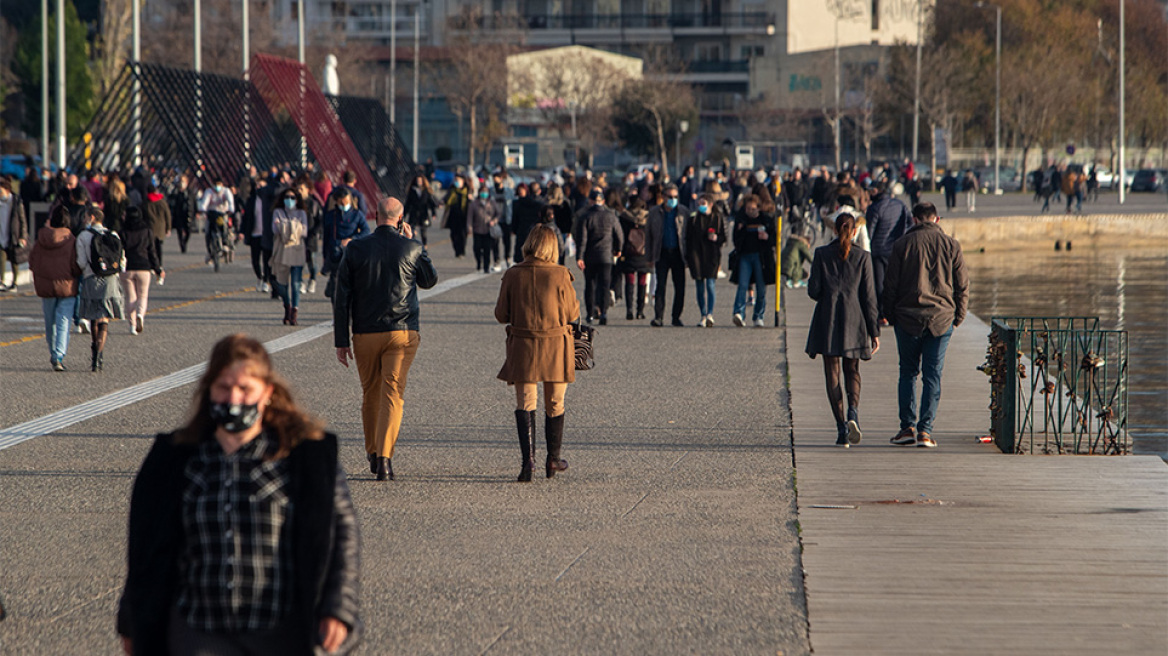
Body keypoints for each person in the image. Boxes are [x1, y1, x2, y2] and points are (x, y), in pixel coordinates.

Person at [116, 334, 361, 656]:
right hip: (197, 629)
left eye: (245, 388)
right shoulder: (176, 459)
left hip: (279, 628)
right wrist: (132, 619)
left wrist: (337, 609)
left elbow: (342, 536)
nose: (233, 398)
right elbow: (145, 546)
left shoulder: (305, 459)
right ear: (208, 391)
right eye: (223, 387)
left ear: (267, 393)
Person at [333, 198, 438, 481]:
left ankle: (371, 451)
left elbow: (341, 297)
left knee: (370, 392)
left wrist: (341, 339)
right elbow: (429, 280)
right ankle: (384, 459)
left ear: (375, 216)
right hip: (401, 332)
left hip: (365, 332)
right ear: (401, 218)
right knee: (393, 393)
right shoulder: (412, 247)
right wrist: (417, 244)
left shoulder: (356, 248)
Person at [494, 224, 579, 482]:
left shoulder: (512, 273)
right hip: (556, 345)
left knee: (525, 402)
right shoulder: (561, 274)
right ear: (553, 247)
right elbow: (572, 313)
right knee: (555, 403)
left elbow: (501, 315)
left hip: (523, 345)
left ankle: (527, 463)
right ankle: (552, 459)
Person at [883, 202, 968, 449]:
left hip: (907, 317)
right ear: (936, 219)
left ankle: (906, 427)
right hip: (941, 319)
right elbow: (962, 285)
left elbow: (890, 285)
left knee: (908, 372)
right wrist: (959, 316)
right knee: (933, 375)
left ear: (914, 219)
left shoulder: (902, 245)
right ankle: (925, 431)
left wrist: (890, 315)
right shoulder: (952, 245)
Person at [805, 212, 880, 447]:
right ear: (855, 231)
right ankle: (853, 414)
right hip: (854, 320)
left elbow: (813, 291)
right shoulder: (863, 257)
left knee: (832, 374)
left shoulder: (821, 253)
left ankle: (840, 430)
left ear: (835, 230)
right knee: (853, 370)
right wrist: (874, 330)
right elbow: (869, 297)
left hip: (827, 320)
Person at [29, 206, 81, 370]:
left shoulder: (41, 239)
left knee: (50, 321)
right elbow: (76, 264)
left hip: (46, 285)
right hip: (67, 285)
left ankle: (53, 352)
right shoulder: (71, 240)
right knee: (64, 321)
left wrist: (42, 274)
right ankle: (59, 355)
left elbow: (33, 261)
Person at [75, 206, 125, 372]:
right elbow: (122, 260)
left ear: (92, 217)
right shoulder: (113, 235)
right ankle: (99, 354)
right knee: (104, 318)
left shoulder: (83, 236)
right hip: (110, 280)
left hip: (91, 279)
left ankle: (94, 352)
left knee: (93, 317)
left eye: (85, 217)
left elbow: (81, 262)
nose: (84, 220)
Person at [573, 188, 623, 326]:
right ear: (603, 201)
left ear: (590, 201)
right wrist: (618, 249)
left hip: (590, 256)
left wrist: (579, 256)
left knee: (590, 285)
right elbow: (619, 234)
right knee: (605, 285)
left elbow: (581, 239)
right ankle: (604, 313)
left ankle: (590, 314)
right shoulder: (611, 216)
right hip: (606, 256)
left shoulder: (585, 217)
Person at [864, 181, 911, 323]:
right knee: (895, 282)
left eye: (871, 191)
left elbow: (869, 232)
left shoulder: (875, 208)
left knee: (880, 284)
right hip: (897, 250)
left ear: (878, 191)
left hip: (878, 251)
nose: (868, 194)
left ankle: (883, 315)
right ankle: (896, 312)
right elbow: (910, 222)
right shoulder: (900, 205)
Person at [644, 183, 688, 327]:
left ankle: (676, 317)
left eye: (675, 197)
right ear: (663, 197)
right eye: (670, 196)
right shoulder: (654, 212)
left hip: (678, 253)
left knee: (680, 287)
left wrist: (689, 258)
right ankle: (658, 317)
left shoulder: (683, 212)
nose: (673, 199)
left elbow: (688, 235)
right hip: (661, 252)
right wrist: (649, 257)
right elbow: (648, 236)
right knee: (660, 286)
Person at [730, 194, 776, 327]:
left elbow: (774, 239)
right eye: (748, 209)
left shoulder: (766, 220)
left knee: (761, 288)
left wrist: (766, 237)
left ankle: (758, 316)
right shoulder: (741, 220)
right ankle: (739, 313)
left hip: (761, 258)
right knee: (742, 285)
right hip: (745, 256)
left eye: (752, 209)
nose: (750, 211)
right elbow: (735, 239)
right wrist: (741, 231)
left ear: (758, 208)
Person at [684, 192, 727, 327]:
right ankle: (702, 314)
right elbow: (688, 238)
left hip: (712, 255)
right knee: (699, 286)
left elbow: (724, 238)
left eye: (703, 204)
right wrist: (688, 257)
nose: (700, 206)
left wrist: (716, 238)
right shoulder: (693, 219)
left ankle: (710, 314)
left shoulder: (717, 218)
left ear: (710, 204)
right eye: (699, 204)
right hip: (696, 255)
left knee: (710, 284)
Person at [119, 206, 162, 335]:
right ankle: (140, 315)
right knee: (142, 295)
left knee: (130, 297)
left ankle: (132, 325)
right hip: (144, 266)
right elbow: (152, 252)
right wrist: (157, 268)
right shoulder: (147, 231)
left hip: (127, 267)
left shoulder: (122, 232)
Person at [321, 187, 369, 298]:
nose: (344, 204)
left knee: (351, 283)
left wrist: (352, 239)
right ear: (336, 201)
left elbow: (366, 231)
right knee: (335, 286)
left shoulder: (357, 214)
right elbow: (326, 237)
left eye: (346, 201)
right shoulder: (331, 216)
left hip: (351, 253)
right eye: (341, 201)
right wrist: (325, 255)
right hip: (335, 253)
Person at [272, 188, 308, 325]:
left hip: (297, 250)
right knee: (282, 284)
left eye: (293, 197)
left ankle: (294, 311)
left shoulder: (301, 213)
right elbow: (274, 229)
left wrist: (284, 226)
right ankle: (286, 305)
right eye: (287, 197)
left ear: (297, 200)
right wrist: (294, 227)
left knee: (295, 283)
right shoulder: (278, 211)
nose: (290, 200)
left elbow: (304, 231)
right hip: (282, 251)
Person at [616, 198, 652, 320]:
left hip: (629, 253)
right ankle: (640, 310)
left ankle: (629, 309)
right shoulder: (648, 218)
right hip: (643, 253)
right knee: (642, 282)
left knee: (629, 282)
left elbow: (620, 236)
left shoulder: (624, 217)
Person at [0, 179, 30, 293]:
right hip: (1, 233)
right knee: (1, 258)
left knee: (14, 259)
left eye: (1, 192)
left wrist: (23, 236)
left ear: (8, 191)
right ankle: (2, 281)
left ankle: (15, 282)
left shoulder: (16, 202)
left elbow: (23, 220)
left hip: (13, 233)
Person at [468, 185, 501, 273]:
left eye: (486, 192)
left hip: (488, 230)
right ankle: (479, 261)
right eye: (482, 192)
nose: (484, 194)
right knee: (477, 248)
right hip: (477, 230)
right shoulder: (474, 204)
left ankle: (486, 267)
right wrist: (469, 228)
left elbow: (498, 214)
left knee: (487, 249)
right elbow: (470, 217)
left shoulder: (492, 203)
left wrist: (494, 221)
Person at [510, 183, 544, 263]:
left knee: (521, 255)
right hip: (532, 230)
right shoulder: (539, 203)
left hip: (522, 230)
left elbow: (515, 218)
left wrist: (514, 229)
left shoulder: (518, 203)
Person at [142, 183, 172, 275]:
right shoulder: (162, 202)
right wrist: (168, 228)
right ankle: (159, 264)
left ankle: (152, 264)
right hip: (161, 228)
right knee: (159, 247)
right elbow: (168, 216)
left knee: (151, 248)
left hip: (150, 227)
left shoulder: (146, 202)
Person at [403, 174, 439, 247]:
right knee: (412, 229)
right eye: (417, 180)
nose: (419, 182)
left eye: (420, 181)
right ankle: (412, 244)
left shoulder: (426, 191)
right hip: (414, 213)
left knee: (423, 231)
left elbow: (430, 202)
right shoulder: (412, 190)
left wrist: (433, 213)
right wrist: (404, 214)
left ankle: (424, 245)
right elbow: (408, 203)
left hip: (423, 213)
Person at [444, 174, 470, 258]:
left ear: (463, 181)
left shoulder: (467, 191)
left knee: (463, 235)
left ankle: (461, 251)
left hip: (464, 216)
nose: (457, 182)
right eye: (455, 180)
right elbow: (446, 199)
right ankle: (457, 250)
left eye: (458, 180)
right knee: (453, 235)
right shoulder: (452, 190)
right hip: (453, 216)